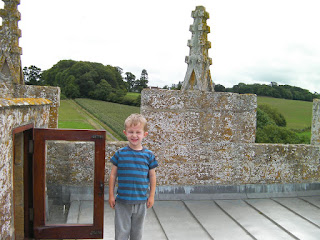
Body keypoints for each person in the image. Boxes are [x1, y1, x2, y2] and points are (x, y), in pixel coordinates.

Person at [108, 113, 158, 240]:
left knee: (137, 233)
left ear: (144, 134)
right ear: (125, 133)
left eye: (138, 132)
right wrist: (111, 195)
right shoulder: (119, 154)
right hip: (122, 202)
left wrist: (151, 196)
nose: (134, 135)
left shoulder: (149, 155)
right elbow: (113, 175)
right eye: (131, 132)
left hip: (141, 201)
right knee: (121, 233)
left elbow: (152, 177)